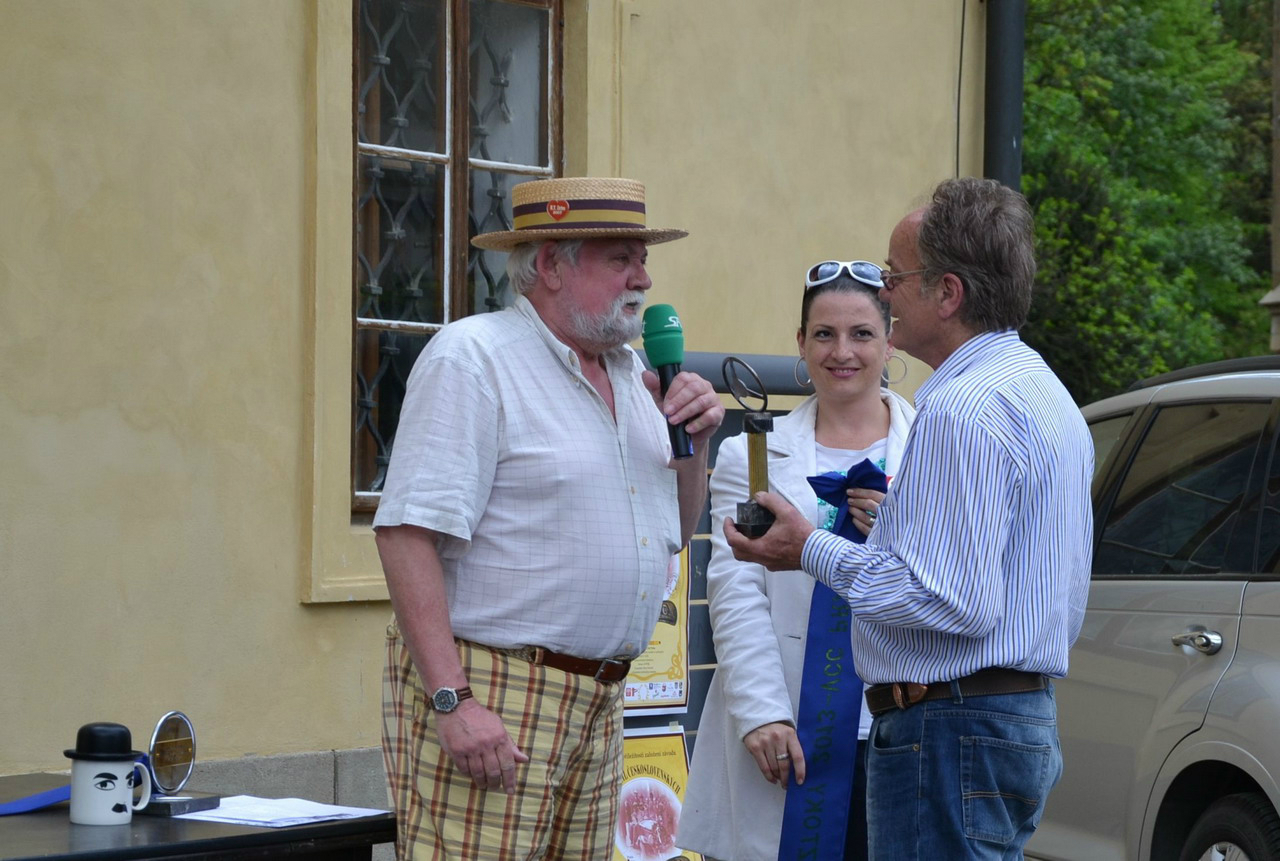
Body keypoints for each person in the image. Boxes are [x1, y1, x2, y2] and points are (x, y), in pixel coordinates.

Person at [724, 176, 1094, 860]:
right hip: (1006, 716)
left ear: (947, 293)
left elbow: (949, 599)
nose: (886, 291)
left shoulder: (959, 409)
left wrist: (808, 547)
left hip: (950, 726)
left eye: (896, 276)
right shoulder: (1042, 390)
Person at [373, 176, 725, 861]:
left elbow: (673, 535)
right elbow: (405, 535)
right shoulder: (474, 358)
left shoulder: (634, 375)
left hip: (602, 698)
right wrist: (453, 700)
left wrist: (697, 445)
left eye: (643, 258)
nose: (644, 278)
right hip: (496, 686)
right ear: (550, 265)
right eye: (620, 258)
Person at [678, 261, 917, 861]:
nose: (843, 352)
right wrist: (761, 713)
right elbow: (735, 592)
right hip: (790, 725)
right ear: (801, 343)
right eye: (824, 334)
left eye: (862, 334)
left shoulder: (933, 448)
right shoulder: (751, 455)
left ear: (890, 342)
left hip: (901, 725)